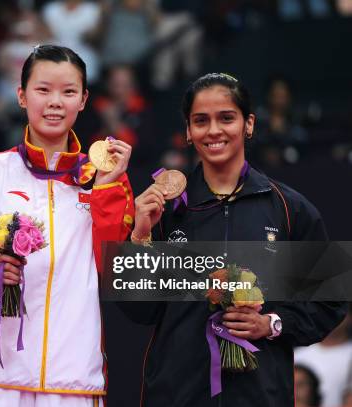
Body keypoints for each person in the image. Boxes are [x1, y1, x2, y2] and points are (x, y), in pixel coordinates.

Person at [121, 73, 346, 406]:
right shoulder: (161, 209)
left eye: (226, 118)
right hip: (177, 395)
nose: (213, 130)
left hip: (259, 395)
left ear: (248, 123)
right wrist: (139, 237)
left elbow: (331, 298)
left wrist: (270, 324)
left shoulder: (288, 208)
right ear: (187, 130)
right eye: (201, 120)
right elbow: (138, 311)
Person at [0, 45, 134, 407]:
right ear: (21, 96)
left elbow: (111, 268)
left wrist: (108, 187)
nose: (55, 102)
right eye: (43, 90)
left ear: (83, 100)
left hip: (75, 378)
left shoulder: (106, 178)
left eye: (68, 92)